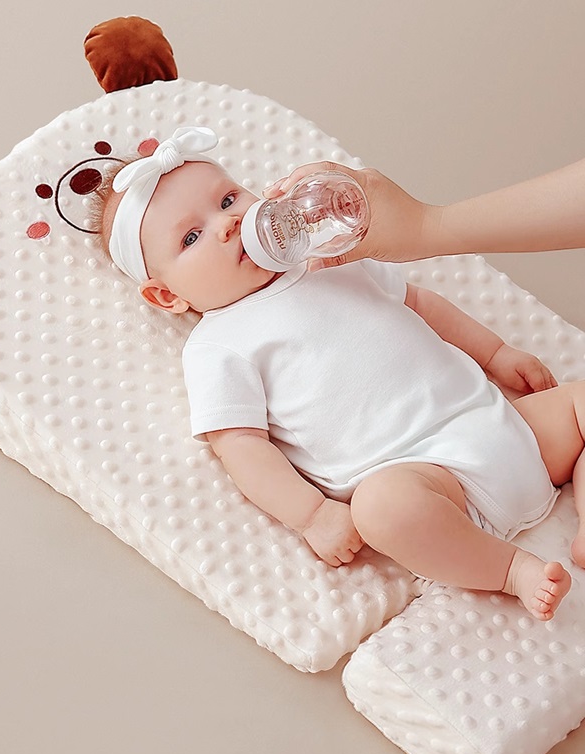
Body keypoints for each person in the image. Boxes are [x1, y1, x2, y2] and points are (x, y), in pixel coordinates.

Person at [97, 126, 585, 624]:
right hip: (427, 479)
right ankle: (510, 570)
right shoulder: (217, 344)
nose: (226, 224)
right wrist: (311, 514)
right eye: (191, 237)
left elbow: (419, 303)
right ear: (167, 296)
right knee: (382, 510)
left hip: (500, 423)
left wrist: (497, 353)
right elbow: (239, 443)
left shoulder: (329, 257)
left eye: (227, 200)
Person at [262, 157, 585, 270]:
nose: (236, 223)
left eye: (235, 197)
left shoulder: (348, 272)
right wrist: (425, 227)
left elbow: (420, 305)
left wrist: (496, 354)